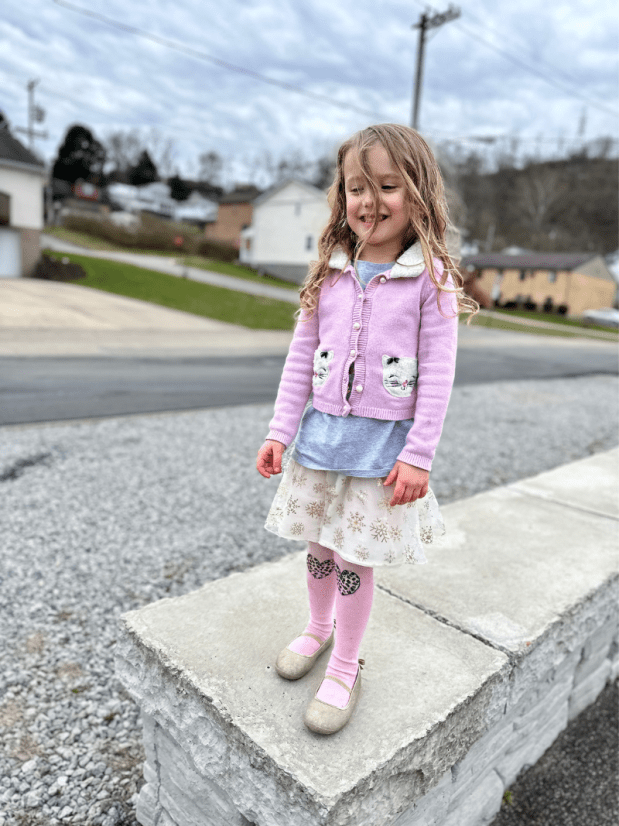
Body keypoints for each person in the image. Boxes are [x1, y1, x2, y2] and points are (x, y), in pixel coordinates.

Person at [256, 123, 477, 736]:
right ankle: (317, 630)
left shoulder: (429, 279)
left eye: (388, 185)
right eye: (357, 186)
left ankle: (346, 665)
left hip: (382, 454)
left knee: (355, 556)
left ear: (419, 194)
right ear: (341, 195)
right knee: (320, 548)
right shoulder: (328, 271)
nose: (370, 201)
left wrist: (419, 455)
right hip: (321, 442)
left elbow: (438, 374)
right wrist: (280, 431)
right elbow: (300, 359)